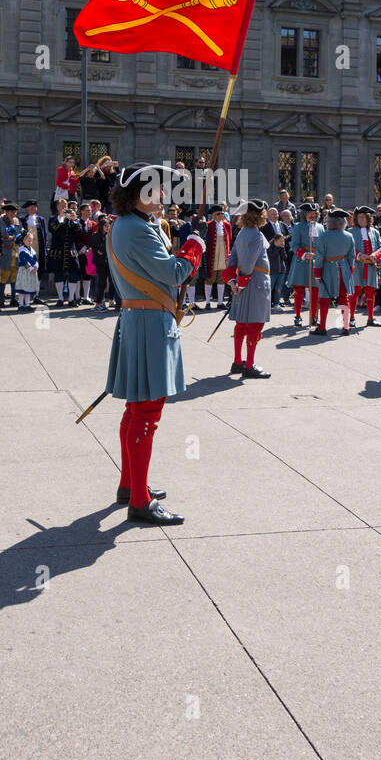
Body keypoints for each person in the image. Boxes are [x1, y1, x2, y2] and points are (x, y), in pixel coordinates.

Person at [105, 164, 205, 524]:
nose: (162, 196)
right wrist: (194, 246)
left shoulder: (127, 225)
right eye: (156, 190)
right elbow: (174, 273)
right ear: (139, 195)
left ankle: (131, 485)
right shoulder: (138, 229)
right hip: (149, 322)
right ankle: (140, 501)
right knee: (146, 414)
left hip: (139, 318)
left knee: (136, 410)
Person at [223, 199, 272, 377]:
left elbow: (232, 259)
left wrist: (233, 282)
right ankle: (249, 365)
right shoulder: (257, 236)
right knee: (255, 325)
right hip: (255, 284)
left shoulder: (242, 233)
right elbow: (250, 263)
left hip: (243, 283)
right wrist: (240, 285)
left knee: (242, 324)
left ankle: (237, 362)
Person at [313, 207, 355, 335]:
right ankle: (346, 326)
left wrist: (317, 273)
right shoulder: (349, 236)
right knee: (344, 298)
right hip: (344, 268)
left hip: (328, 269)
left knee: (325, 297)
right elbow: (351, 256)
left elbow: (319, 257)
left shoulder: (324, 236)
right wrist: (350, 270)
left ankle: (322, 327)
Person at [288, 202, 323, 327]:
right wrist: (304, 254)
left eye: (314, 213)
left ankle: (314, 316)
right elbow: (294, 245)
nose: (312, 215)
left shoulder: (320, 227)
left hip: (315, 261)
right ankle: (298, 316)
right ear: (304, 214)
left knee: (315, 290)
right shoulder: (298, 226)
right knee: (299, 290)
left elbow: (322, 245)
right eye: (309, 213)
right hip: (301, 261)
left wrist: (319, 255)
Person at [350, 206, 381, 328]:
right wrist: (359, 255)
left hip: (371, 266)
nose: (361, 219)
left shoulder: (374, 231)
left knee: (371, 292)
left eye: (364, 217)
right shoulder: (351, 231)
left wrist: (375, 255)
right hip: (357, 266)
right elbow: (348, 249)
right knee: (355, 292)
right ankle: (352, 318)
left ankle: (370, 318)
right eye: (359, 217)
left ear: (368, 218)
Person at [204, 205, 232, 309]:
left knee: (222, 278)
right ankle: (207, 302)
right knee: (210, 278)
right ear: (214, 215)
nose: (222, 215)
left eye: (222, 213)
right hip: (212, 255)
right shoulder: (208, 225)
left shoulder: (227, 225)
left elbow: (230, 239)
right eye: (220, 214)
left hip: (223, 255)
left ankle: (220, 302)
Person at [20, 201, 48, 301]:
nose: (33, 208)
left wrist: (45, 248)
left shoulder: (41, 219)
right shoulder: (22, 219)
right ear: (27, 208)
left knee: (38, 272)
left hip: (39, 250)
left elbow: (45, 235)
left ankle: (36, 295)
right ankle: (25, 296)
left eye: (34, 207)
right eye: (31, 207)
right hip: (27, 251)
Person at [264, 207, 289, 309]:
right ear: (268, 215)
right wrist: (274, 242)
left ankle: (277, 302)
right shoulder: (265, 226)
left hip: (281, 255)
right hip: (271, 255)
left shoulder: (282, 224)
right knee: (271, 284)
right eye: (273, 214)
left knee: (279, 285)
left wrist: (281, 240)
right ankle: (268, 303)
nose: (276, 216)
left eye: (276, 214)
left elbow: (289, 235)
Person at [14, 229, 39, 310]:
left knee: (28, 288)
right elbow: (24, 261)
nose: (30, 242)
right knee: (22, 290)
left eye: (31, 241)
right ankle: (21, 305)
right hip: (24, 271)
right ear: (24, 240)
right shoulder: (22, 250)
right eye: (28, 241)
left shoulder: (32, 250)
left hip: (32, 272)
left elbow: (35, 259)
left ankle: (27, 304)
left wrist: (36, 267)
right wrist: (31, 268)